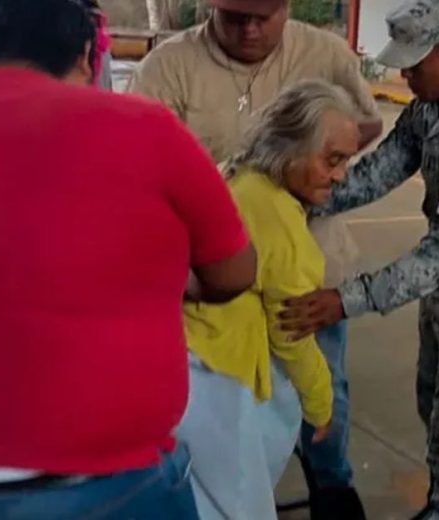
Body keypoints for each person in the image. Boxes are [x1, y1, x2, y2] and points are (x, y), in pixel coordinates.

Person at [0, 0, 256, 518]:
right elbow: (236, 273)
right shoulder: (147, 130)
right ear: (87, 54)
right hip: (114, 489)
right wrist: (177, 281)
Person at [279, 0, 439, 510]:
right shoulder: (429, 107)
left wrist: (348, 299)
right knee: (434, 409)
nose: (404, 73)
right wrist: (304, 193)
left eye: (416, 63)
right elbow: (382, 169)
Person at [127, 1, 382, 515]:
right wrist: (319, 405)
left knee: (251, 440)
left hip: (286, 284)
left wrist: (319, 167)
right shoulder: (169, 65)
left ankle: (331, 492)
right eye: (235, 15)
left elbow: (364, 126)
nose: (249, 28)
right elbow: (137, 165)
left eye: (263, 16)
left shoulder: (326, 55)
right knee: (257, 446)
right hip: (224, 309)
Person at [178, 80, 362, 520]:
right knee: (237, 503)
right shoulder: (275, 214)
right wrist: (321, 404)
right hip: (219, 379)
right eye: (331, 161)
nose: (340, 175)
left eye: (346, 162)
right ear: (290, 148)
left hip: (188, 362)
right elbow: (292, 329)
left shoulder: (237, 173)